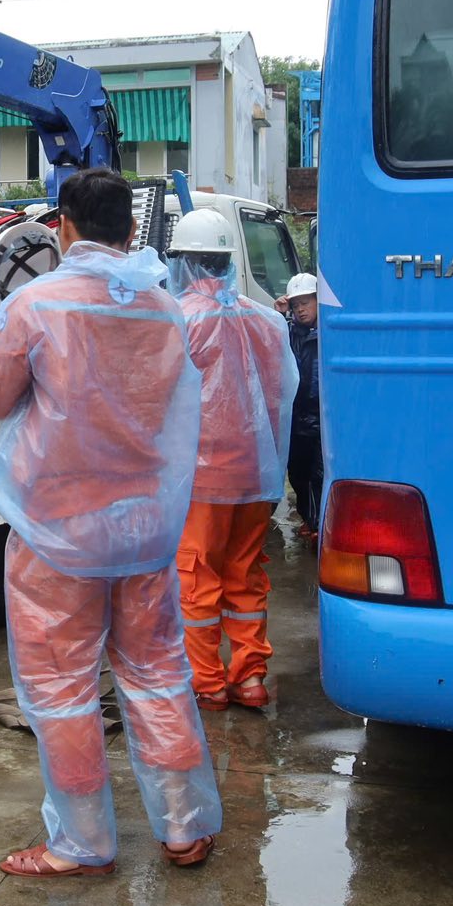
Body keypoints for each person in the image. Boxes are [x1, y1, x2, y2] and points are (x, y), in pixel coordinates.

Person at [0, 168, 223, 878]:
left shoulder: (37, 304)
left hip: (58, 532)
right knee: (157, 671)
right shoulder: (166, 308)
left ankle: (82, 841)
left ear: (63, 227)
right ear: (133, 231)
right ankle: (184, 824)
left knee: (61, 686)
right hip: (143, 528)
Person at [166, 211, 298, 711]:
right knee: (246, 575)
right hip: (257, 475)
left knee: (198, 578)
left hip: (200, 477)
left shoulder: (178, 318)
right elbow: (284, 393)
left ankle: (208, 682)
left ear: (180, 259)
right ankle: (250, 677)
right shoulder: (265, 319)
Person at [283, 273, 323, 543]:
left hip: (322, 417)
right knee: (297, 472)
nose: (301, 309)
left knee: (319, 473)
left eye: (306, 302)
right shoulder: (288, 332)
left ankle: (320, 522)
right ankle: (309, 518)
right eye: (296, 304)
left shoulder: (330, 333)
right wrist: (278, 314)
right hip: (296, 417)